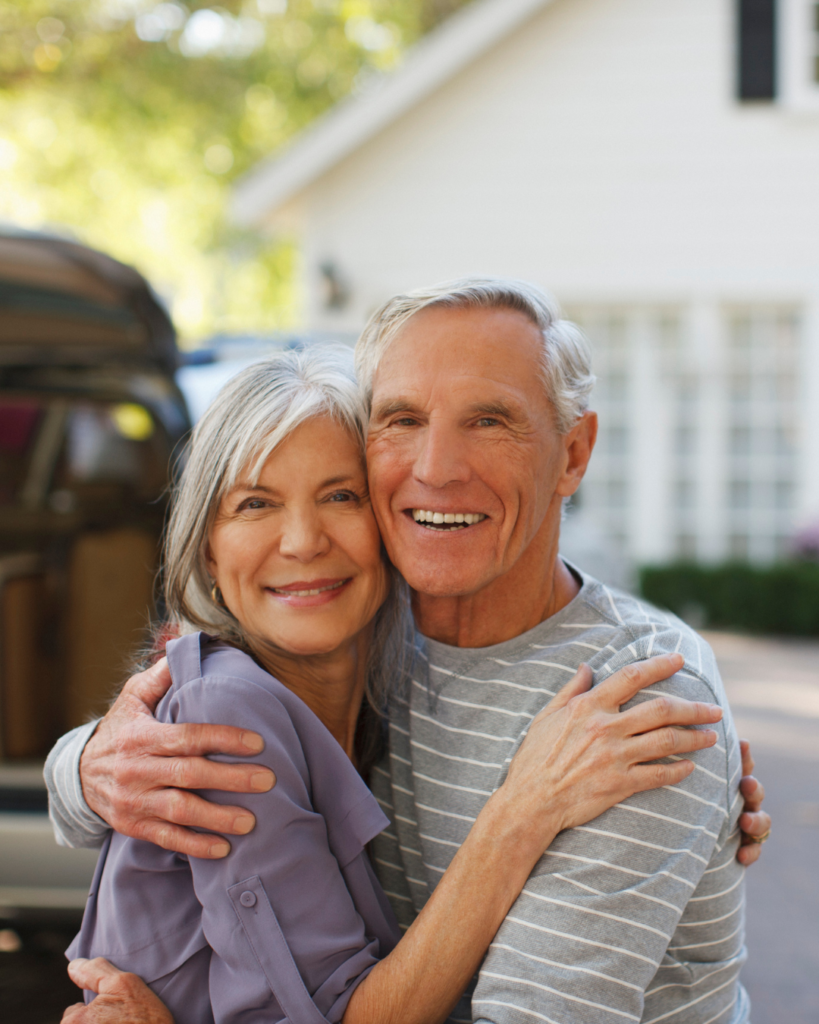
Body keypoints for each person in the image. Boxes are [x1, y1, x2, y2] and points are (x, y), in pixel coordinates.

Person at [50, 279, 771, 1024]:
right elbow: (123, 788)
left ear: (573, 453)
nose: (436, 467)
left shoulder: (630, 708)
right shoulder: (355, 642)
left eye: (489, 420)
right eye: (402, 420)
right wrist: (86, 766)